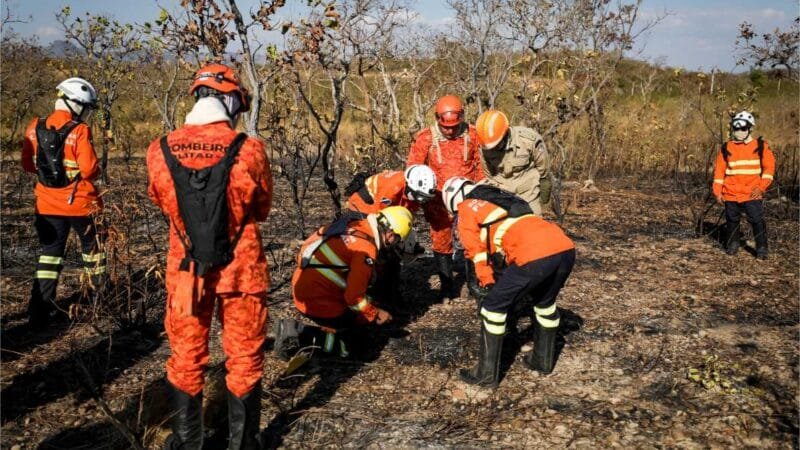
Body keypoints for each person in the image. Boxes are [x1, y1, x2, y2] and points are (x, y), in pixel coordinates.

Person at [146, 63, 272, 450]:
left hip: (186, 273)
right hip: (242, 271)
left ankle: (188, 443)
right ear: (232, 101)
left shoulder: (159, 149)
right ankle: (245, 443)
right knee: (245, 355)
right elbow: (262, 208)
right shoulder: (249, 150)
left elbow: (161, 203)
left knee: (186, 356)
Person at [442, 177, 576, 387]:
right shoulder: (502, 199)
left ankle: (485, 376)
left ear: (453, 199)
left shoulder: (467, 206)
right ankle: (542, 361)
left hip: (535, 255)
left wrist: (487, 281)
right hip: (565, 248)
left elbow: (474, 250)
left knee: (492, 308)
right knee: (544, 303)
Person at [275, 206, 413, 361]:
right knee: (357, 346)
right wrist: (375, 314)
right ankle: (298, 336)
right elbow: (353, 298)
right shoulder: (366, 249)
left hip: (302, 287)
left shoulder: (352, 225)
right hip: (318, 299)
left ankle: (326, 329)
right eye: (396, 239)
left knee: (357, 322)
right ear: (390, 234)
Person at [21, 77, 104, 326]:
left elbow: (27, 164)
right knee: (93, 252)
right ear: (74, 103)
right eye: (85, 107)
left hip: (46, 204)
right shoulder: (79, 130)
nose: (86, 113)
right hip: (80, 203)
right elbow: (89, 170)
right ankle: (96, 302)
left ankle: (40, 309)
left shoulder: (34, 126)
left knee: (50, 255)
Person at [407, 95, 483, 299]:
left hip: (467, 200)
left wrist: (480, 194)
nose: (450, 131)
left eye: (454, 127)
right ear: (437, 119)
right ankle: (447, 287)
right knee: (441, 242)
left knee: (472, 240)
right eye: (446, 127)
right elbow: (413, 168)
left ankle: (475, 284)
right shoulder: (425, 138)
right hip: (437, 202)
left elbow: (480, 166)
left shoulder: (472, 134)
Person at [713, 111, 775, 260]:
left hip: (751, 192)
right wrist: (717, 192)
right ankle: (732, 245)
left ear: (749, 129)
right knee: (732, 220)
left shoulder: (760, 146)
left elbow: (769, 168)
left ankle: (761, 248)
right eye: (736, 129)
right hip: (731, 192)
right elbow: (719, 171)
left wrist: (761, 187)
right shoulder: (726, 148)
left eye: (743, 129)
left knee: (756, 219)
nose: (739, 132)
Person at [474, 109, 552, 216]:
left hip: (528, 193)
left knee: (533, 226)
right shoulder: (485, 146)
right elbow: (489, 174)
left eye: (496, 145)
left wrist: (544, 183)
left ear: (505, 134)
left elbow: (542, 164)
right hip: (502, 194)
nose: (494, 149)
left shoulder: (528, 140)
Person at [344, 164, 437, 214]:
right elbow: (380, 215)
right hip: (362, 204)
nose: (421, 201)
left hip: (377, 203)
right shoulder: (392, 188)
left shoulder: (410, 190)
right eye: (420, 197)